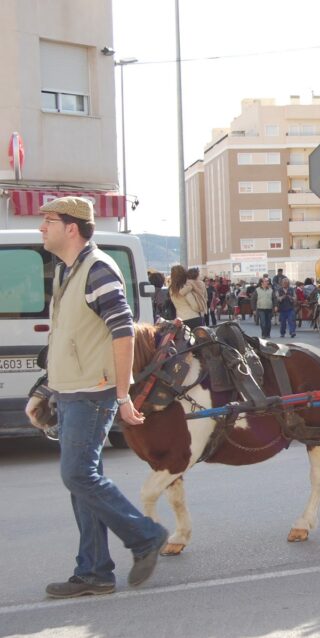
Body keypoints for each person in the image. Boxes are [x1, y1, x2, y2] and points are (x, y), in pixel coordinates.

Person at [27, 197, 167, 598]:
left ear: (71, 228)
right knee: (83, 482)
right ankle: (94, 572)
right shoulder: (66, 271)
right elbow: (66, 337)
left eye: (48, 222)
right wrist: (46, 389)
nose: (42, 229)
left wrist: (123, 395)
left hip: (93, 393)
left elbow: (122, 332)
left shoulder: (99, 269)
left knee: (78, 475)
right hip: (71, 391)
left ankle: (145, 536)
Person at [169, 264, 206, 329]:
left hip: (180, 319)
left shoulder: (171, 289)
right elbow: (195, 306)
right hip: (193, 318)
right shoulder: (185, 287)